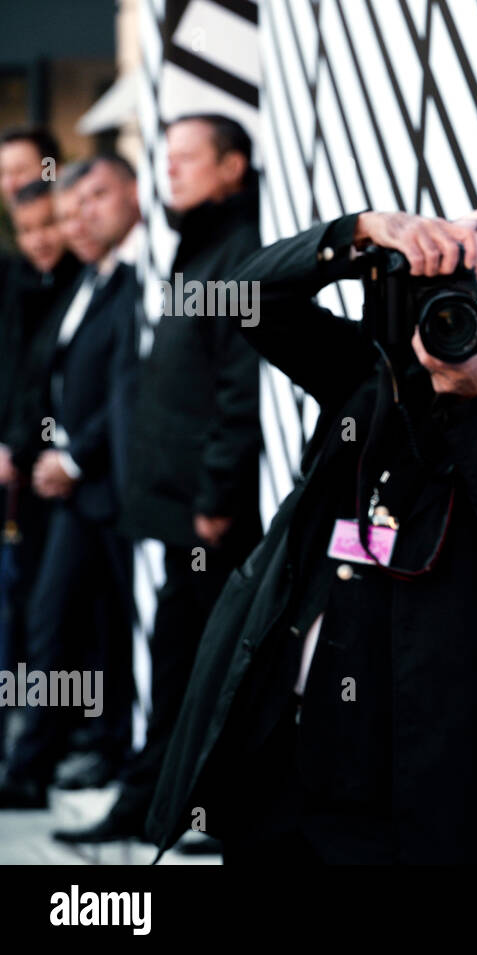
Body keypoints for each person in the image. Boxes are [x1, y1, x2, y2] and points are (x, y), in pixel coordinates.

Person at [145, 208, 477, 863]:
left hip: (419, 777)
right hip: (286, 755)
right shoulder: (375, 370)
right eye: (466, 302)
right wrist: (354, 234)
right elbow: (247, 299)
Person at [54, 114, 264, 845]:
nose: (168, 172)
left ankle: (191, 807)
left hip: (206, 517)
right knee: (177, 663)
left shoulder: (237, 251)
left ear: (232, 166)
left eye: (185, 159)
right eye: (164, 159)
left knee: (200, 667)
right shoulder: (199, 248)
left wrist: (214, 498)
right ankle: (162, 803)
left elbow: (239, 390)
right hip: (176, 511)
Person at [0, 155, 143, 807]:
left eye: (91, 203)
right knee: (59, 618)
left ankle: (60, 757)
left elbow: (125, 387)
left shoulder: (134, 281)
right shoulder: (89, 282)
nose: (75, 222)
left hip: (102, 483)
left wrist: (74, 456)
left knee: (79, 621)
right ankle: (47, 757)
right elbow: (47, 378)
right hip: (69, 483)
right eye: (69, 210)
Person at [0, 178, 82, 762]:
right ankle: (26, 738)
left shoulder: (87, 284)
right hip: (22, 472)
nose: (40, 240)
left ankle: (42, 745)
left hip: (65, 475)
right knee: (27, 606)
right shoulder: (19, 286)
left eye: (48, 225)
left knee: (54, 613)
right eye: (27, 231)